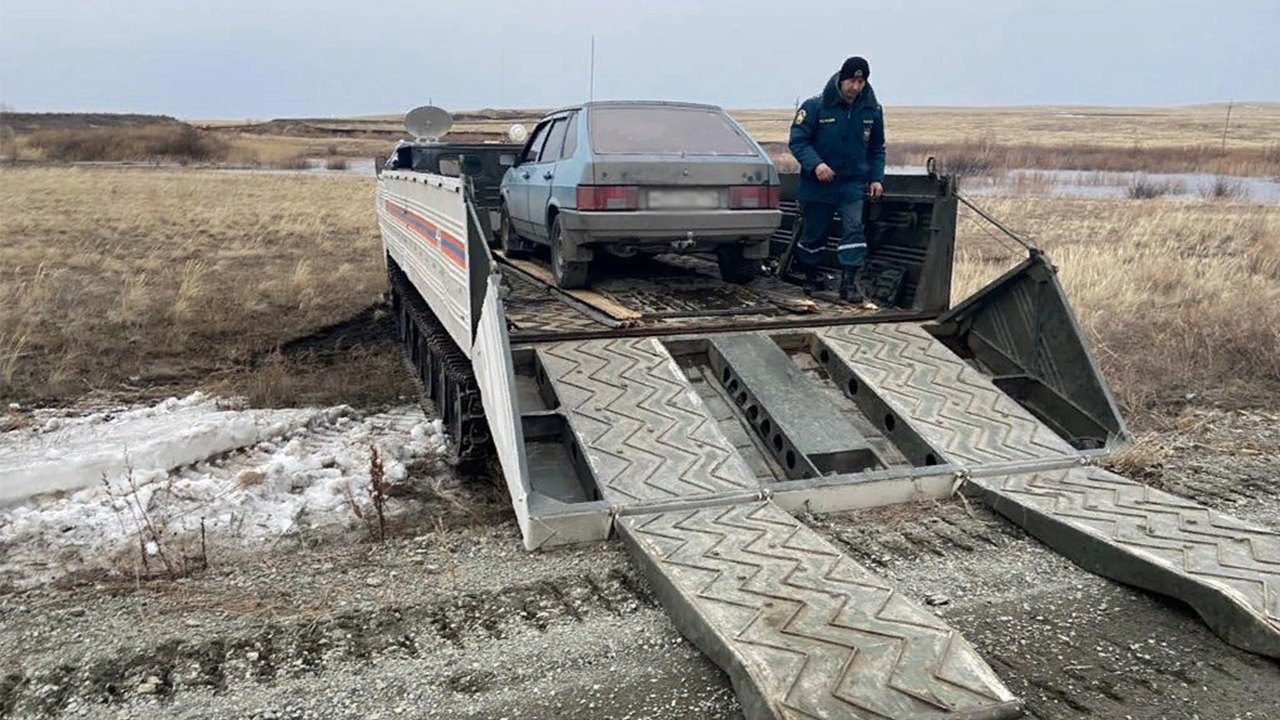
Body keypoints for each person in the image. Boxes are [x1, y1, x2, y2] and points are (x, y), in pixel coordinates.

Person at [788, 56, 886, 303]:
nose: (855, 87)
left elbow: (877, 148)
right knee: (814, 234)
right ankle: (810, 276)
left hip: (852, 183)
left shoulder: (872, 110)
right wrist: (816, 164)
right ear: (841, 80)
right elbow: (798, 141)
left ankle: (849, 284)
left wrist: (876, 178)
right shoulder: (815, 107)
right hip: (818, 183)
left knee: (854, 230)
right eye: (851, 81)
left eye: (861, 81)